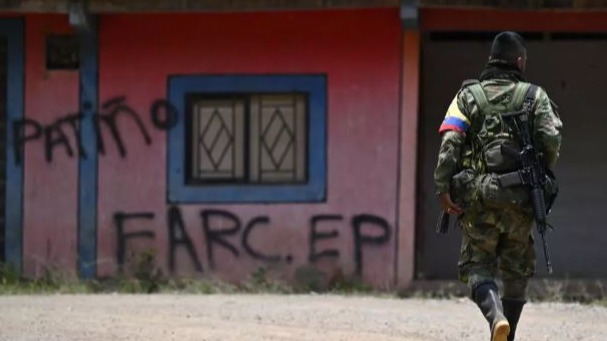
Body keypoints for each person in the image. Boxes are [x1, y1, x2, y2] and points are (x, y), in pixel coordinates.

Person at [433, 31, 563, 341]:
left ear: (491, 60)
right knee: (517, 269)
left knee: (478, 266)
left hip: (478, 198)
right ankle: (509, 332)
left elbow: (450, 142)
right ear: (520, 61)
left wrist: (442, 188)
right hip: (521, 199)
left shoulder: (467, 96)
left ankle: (495, 319)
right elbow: (552, 143)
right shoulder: (535, 96)